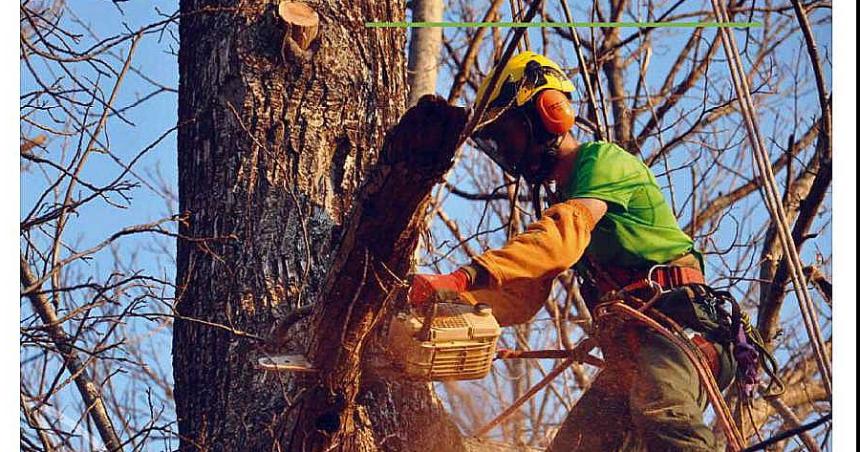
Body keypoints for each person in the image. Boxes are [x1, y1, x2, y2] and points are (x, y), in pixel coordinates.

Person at [407, 52, 739, 451]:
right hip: (630, 353)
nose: (507, 152)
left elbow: (558, 239)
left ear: (549, 112)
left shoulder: (602, 162)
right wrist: (447, 301)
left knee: (663, 412)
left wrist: (465, 275)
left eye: (509, 135)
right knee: (577, 444)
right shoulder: (569, 198)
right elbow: (523, 293)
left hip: (677, 328)